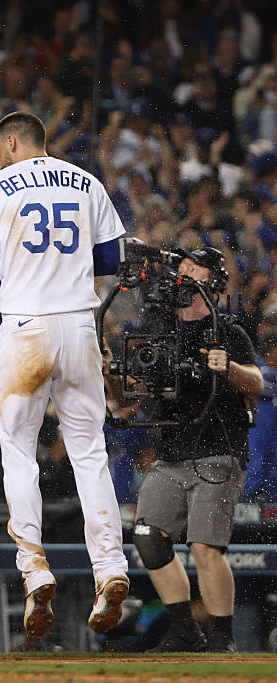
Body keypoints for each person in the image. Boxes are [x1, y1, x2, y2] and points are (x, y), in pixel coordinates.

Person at [0, 111, 130, 642]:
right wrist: (81, 306)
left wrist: (10, 310)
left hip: (26, 326)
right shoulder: (86, 181)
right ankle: (111, 569)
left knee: (18, 451)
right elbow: (111, 259)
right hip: (79, 324)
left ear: (11, 142)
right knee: (89, 453)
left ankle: (35, 569)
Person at [116, 248, 262, 652]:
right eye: (180, 269)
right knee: (147, 535)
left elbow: (258, 383)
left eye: (191, 270)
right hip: (171, 453)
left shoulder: (227, 329)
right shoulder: (161, 331)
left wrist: (227, 366)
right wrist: (115, 370)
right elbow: (131, 397)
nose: (181, 275)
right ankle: (183, 630)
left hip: (218, 451)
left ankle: (221, 636)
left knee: (204, 547)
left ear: (211, 281)